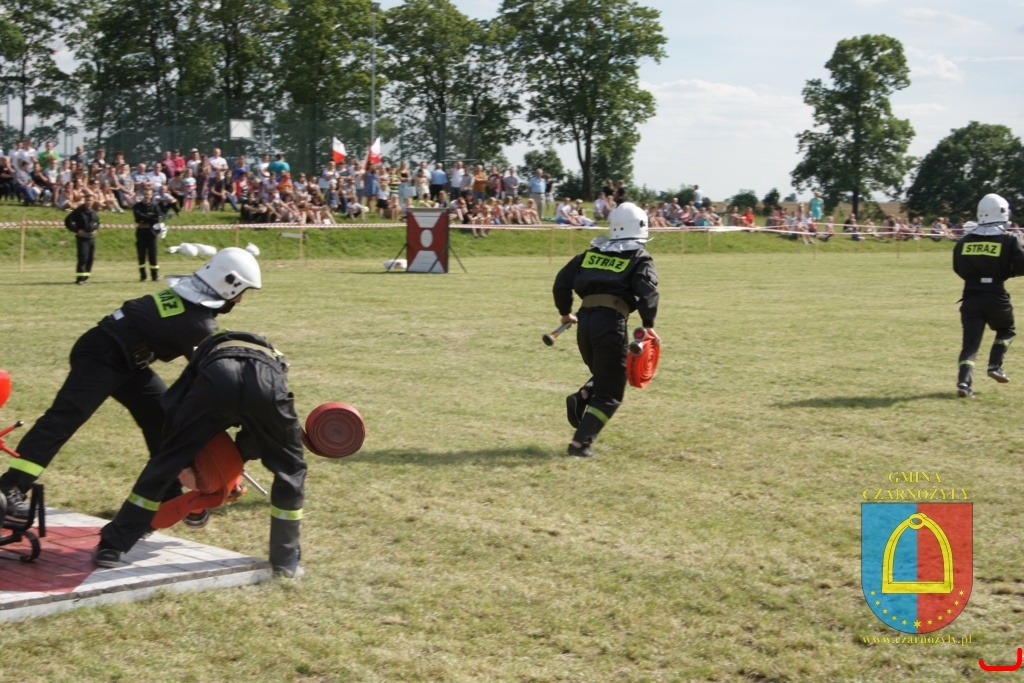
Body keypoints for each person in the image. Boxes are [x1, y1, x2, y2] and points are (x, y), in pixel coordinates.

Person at [0, 249, 262, 522]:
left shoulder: (188, 301)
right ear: (228, 284)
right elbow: (216, 378)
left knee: (164, 420)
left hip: (128, 361)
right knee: (63, 420)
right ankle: (10, 489)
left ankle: (169, 495)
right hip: (101, 356)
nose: (240, 300)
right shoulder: (197, 323)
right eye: (240, 292)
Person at [94, 330, 305, 579]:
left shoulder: (205, 353)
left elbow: (173, 409)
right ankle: (285, 560)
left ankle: (112, 546)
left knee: (165, 463)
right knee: (290, 469)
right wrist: (236, 461)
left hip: (218, 375)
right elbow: (258, 437)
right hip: (266, 382)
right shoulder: (276, 359)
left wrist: (183, 461)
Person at [552, 202, 660, 457]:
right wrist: (648, 325)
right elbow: (648, 292)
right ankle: (580, 445)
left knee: (606, 373)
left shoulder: (589, 254)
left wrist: (565, 312)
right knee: (611, 391)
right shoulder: (639, 257)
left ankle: (584, 394)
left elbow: (561, 283)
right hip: (610, 324)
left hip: (584, 324)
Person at [952, 194, 1024, 398]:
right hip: (995, 296)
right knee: (1006, 330)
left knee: (970, 344)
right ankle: (994, 366)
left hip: (970, 296)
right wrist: (1005, 272)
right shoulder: (1009, 239)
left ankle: (964, 383)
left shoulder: (965, 240)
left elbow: (958, 267)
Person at [133, 186, 168, 282]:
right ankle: (143, 276)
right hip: (141, 232)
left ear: (151, 195)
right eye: (145, 194)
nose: (147, 196)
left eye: (148, 194)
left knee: (153, 255)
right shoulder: (137, 206)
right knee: (141, 255)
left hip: (151, 233)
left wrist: (146, 218)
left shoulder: (155, 206)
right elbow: (137, 217)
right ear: (142, 194)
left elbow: (157, 219)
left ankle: (155, 276)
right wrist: (150, 218)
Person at [66, 192, 101, 284]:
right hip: (82, 238)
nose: (89, 202)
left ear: (93, 201)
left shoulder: (93, 212)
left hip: (91, 238)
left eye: (90, 200)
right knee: (83, 258)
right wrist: (76, 230)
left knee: (90, 259)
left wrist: (96, 229)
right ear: (84, 201)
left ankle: (86, 277)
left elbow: (98, 222)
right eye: (87, 200)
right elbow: (67, 221)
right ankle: (79, 278)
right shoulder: (78, 211)